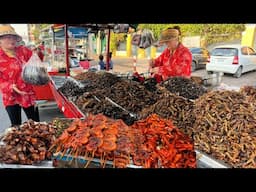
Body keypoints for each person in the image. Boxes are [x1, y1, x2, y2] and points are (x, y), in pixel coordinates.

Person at [0, 24, 39, 127]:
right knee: (16, 125)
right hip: (10, 96)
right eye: (8, 37)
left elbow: (37, 60)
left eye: (13, 37)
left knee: (36, 124)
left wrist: (38, 52)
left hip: (27, 93)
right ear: (0, 40)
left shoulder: (23, 50)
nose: (12, 40)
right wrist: (10, 86)